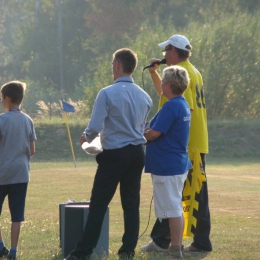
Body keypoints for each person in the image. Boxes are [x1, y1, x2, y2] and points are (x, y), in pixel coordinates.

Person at [64, 48, 152, 260]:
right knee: (131, 205)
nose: (112, 68)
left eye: (113, 64)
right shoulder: (145, 96)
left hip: (114, 154)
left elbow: (95, 125)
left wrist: (86, 136)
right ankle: (127, 250)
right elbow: (142, 127)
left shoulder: (107, 93)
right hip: (137, 153)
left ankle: (82, 252)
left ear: (118, 65)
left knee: (99, 204)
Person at [141, 34, 212, 253]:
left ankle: (177, 242)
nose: (163, 55)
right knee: (184, 194)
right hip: (194, 143)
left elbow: (184, 112)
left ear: (173, 51)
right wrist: (154, 73)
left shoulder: (184, 72)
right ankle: (171, 240)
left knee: (184, 195)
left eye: (166, 51)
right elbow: (166, 94)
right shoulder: (191, 71)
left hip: (186, 145)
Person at [144, 65, 192, 259]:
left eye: (163, 81)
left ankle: (175, 247)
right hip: (174, 163)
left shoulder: (172, 105)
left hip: (168, 165)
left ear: (169, 84)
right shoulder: (180, 103)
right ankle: (175, 246)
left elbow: (154, 133)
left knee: (173, 208)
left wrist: (140, 134)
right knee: (173, 207)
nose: (161, 84)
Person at [0, 81, 36, 260]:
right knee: (16, 214)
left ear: (7, 98)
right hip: (21, 174)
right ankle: (13, 249)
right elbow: (32, 149)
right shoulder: (28, 120)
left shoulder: (1, 120)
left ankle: (0, 244)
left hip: (2, 173)